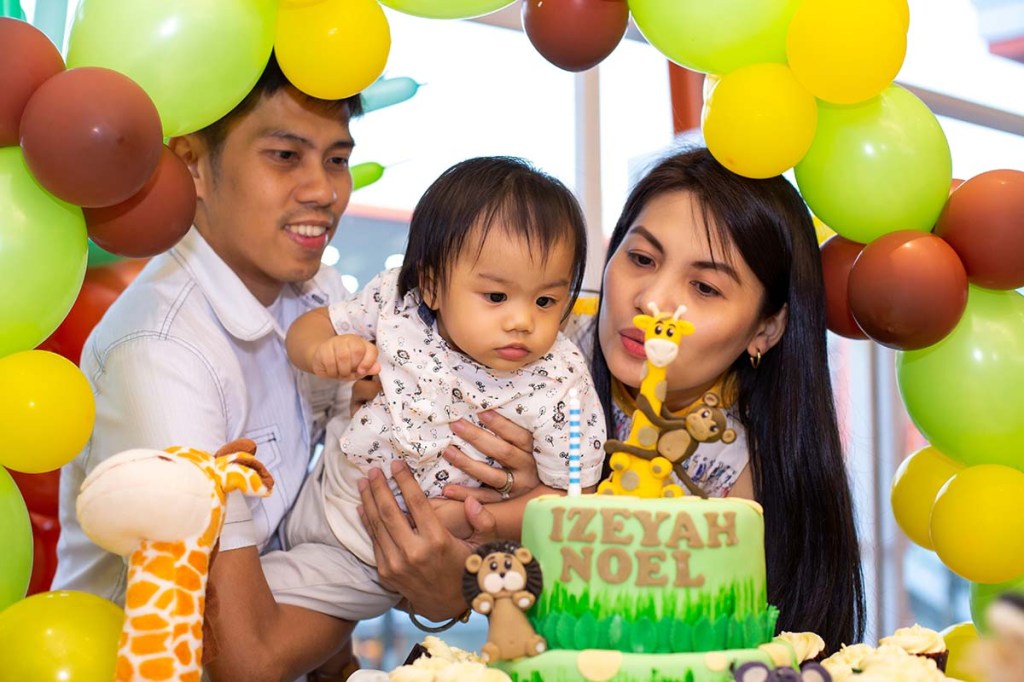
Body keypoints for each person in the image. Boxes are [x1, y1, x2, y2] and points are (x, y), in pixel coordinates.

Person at [357, 146, 866, 655]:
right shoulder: (523, 347)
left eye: (705, 287)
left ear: (766, 329)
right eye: (641, 259)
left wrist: (481, 572)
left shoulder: (749, 480)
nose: (652, 300)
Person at [207, 156, 606, 681]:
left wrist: (476, 520)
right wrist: (324, 351)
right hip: (320, 486)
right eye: (495, 296)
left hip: (371, 552)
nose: (522, 320)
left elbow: (570, 496)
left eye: (547, 300)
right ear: (433, 285)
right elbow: (309, 329)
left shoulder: (560, 380)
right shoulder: (399, 303)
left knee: (222, 623)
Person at [52, 53, 364, 677]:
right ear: (193, 163)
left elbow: (337, 498)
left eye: (337, 159)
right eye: (285, 155)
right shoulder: (160, 348)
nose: (324, 191)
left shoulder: (317, 296)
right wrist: (381, 577)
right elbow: (242, 658)